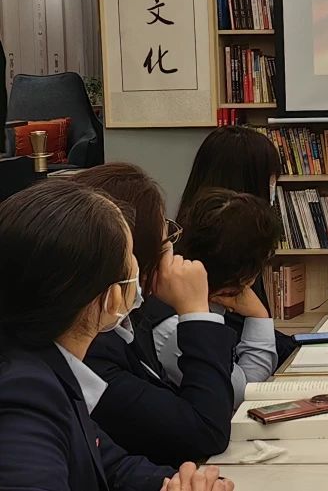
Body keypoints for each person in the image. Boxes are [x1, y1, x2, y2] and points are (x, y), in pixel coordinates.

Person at [0, 179, 232, 491]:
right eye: (130, 261)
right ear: (113, 297)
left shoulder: (50, 366)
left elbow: (111, 466)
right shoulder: (26, 391)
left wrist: (171, 486)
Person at [75, 164, 237, 466]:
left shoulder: (126, 322)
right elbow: (205, 432)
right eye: (165, 244)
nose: (172, 254)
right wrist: (196, 312)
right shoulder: (88, 351)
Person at [152, 188, 281, 408]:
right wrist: (258, 315)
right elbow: (242, 393)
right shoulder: (175, 327)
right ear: (246, 276)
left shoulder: (204, 298)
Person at [179, 125, 297, 363]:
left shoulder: (205, 239)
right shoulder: (219, 253)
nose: (273, 187)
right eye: (270, 179)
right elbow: (240, 336)